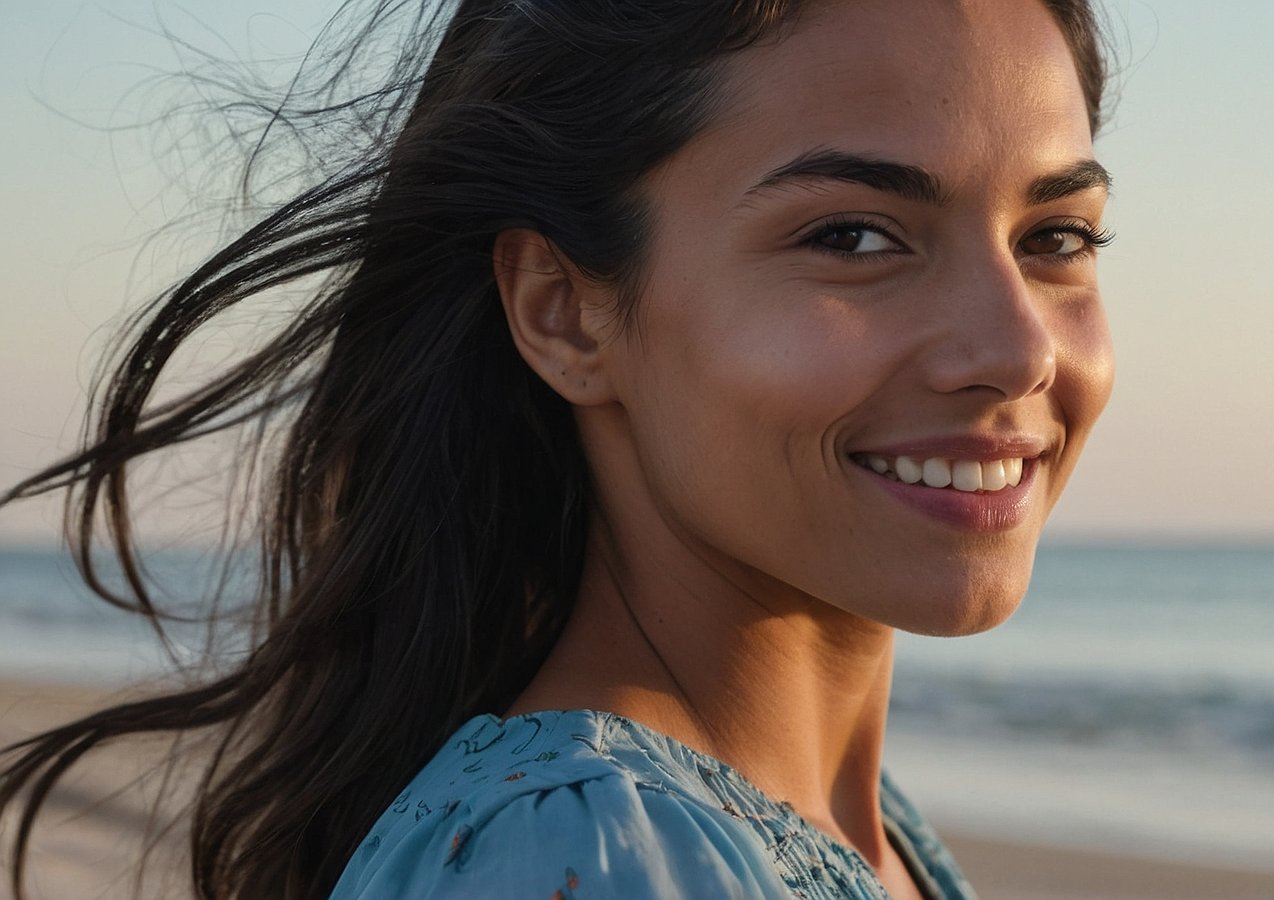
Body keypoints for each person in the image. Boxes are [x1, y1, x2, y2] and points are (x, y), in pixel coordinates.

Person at [1, 0, 1114, 897]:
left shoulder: (848, 832)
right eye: (852, 236)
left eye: (1054, 238)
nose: (1014, 348)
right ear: (564, 311)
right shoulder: (581, 854)